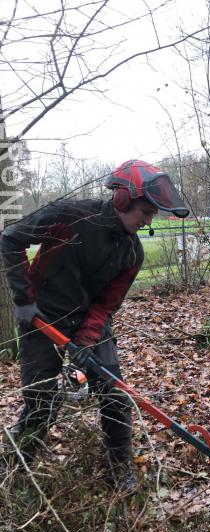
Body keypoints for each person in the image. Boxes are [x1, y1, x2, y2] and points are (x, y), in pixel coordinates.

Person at [0, 159, 189, 490]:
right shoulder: (71, 214)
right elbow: (11, 240)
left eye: (152, 216)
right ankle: (16, 469)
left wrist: (87, 343)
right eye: (145, 212)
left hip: (88, 321)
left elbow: (105, 305)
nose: (147, 221)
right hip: (42, 317)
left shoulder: (132, 253)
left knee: (115, 394)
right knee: (42, 401)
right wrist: (24, 300)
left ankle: (119, 468)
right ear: (122, 199)